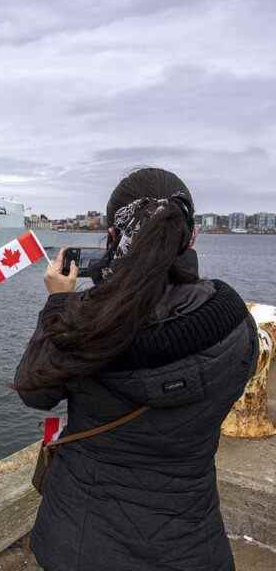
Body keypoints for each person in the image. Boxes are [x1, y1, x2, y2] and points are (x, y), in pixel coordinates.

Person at [14, 168, 257, 571]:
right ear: (189, 236)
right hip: (192, 543)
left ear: (112, 238)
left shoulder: (85, 326)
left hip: (82, 543)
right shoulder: (232, 319)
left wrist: (58, 304)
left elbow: (32, 390)